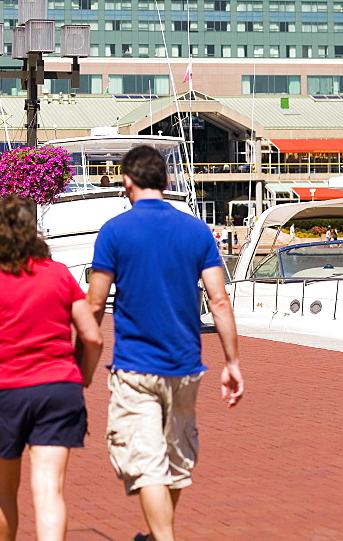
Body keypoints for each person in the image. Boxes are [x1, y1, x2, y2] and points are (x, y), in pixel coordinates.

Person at [87, 146, 244, 541]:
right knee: (175, 461)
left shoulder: (115, 231)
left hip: (135, 366)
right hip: (186, 366)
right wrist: (232, 362)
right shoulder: (196, 230)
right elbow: (219, 300)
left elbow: (94, 303)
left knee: (147, 466)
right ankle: (159, 534)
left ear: (127, 182)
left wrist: (84, 355)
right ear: (167, 181)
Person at [0, 196, 103, 541]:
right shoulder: (57, 274)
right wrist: (81, 376)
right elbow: (93, 337)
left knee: (2, 490)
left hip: (2, 391)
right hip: (57, 388)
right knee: (50, 491)